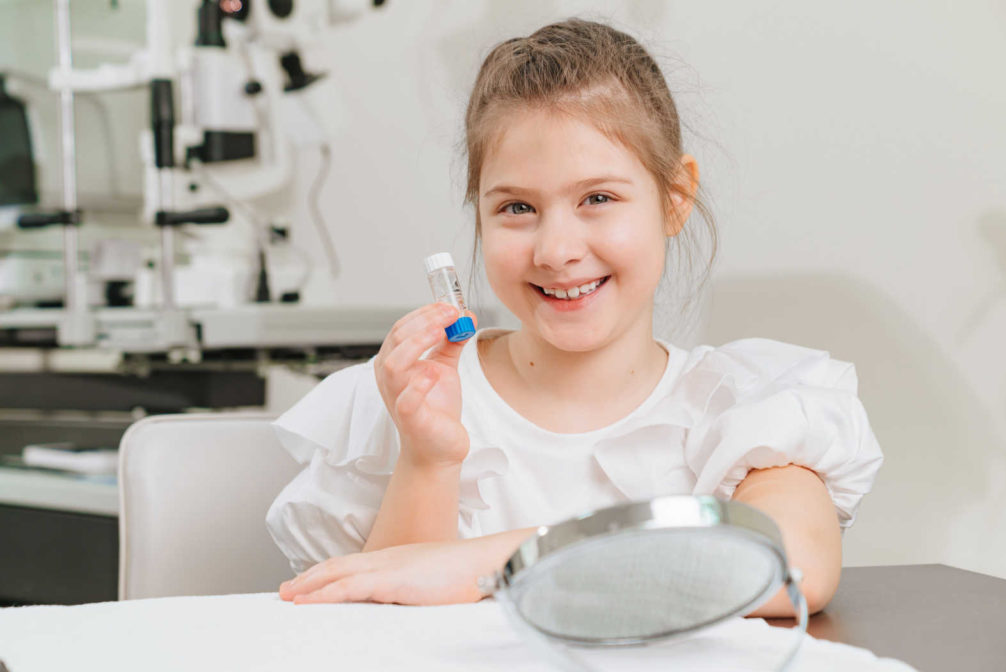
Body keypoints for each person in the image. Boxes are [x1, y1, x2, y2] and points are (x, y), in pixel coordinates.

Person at [267, 18, 883, 617]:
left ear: (676, 198)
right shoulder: (409, 406)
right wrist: (429, 460)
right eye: (516, 207)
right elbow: (377, 618)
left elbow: (787, 568)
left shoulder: (746, 409)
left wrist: (495, 560)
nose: (555, 250)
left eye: (598, 198)